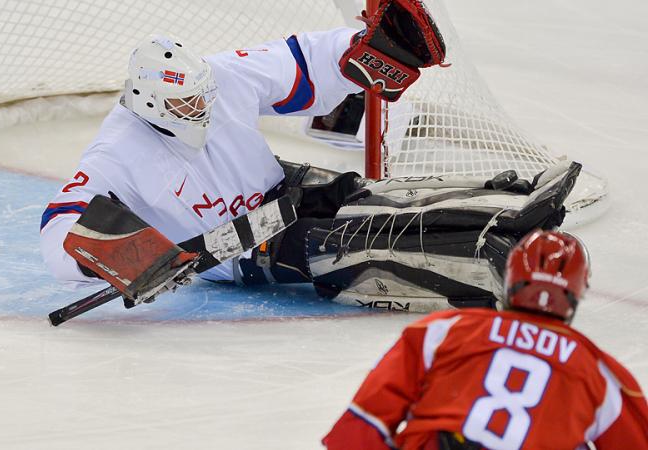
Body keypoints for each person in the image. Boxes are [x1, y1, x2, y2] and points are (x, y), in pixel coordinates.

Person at [39, 0, 580, 310]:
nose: (202, 106)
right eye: (186, 102)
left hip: (279, 188)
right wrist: (132, 259)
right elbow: (61, 227)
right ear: (150, 102)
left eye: (202, 94)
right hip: (240, 250)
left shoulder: (216, 79)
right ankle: (496, 254)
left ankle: (510, 200)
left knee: (373, 197)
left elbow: (292, 62)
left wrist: (352, 55)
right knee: (367, 243)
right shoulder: (117, 150)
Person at [322, 230, 648, 449]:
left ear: (509, 281)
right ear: (577, 293)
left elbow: (361, 426)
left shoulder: (442, 331)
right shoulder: (602, 375)